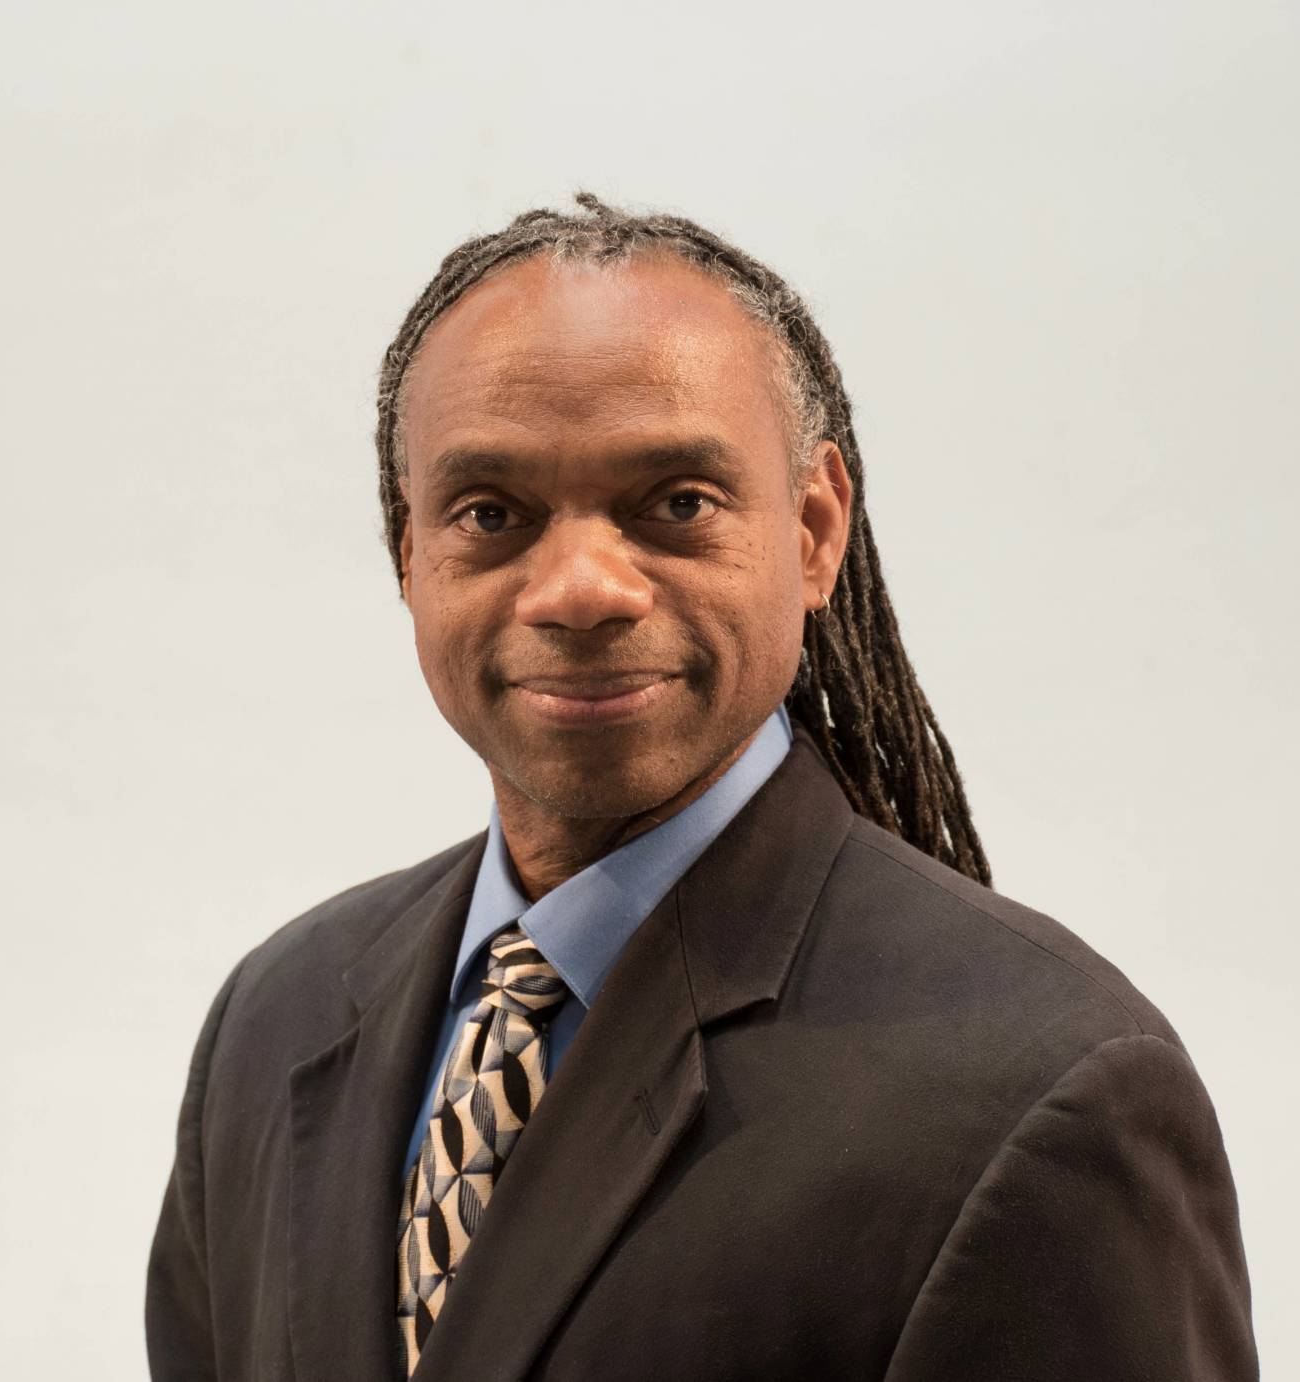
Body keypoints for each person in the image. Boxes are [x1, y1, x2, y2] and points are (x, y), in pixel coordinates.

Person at [145, 195, 1258, 1381]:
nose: (579, 587)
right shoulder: (276, 1022)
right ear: (408, 549)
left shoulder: (1047, 1093)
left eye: (674, 503)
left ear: (815, 528)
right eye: (490, 513)